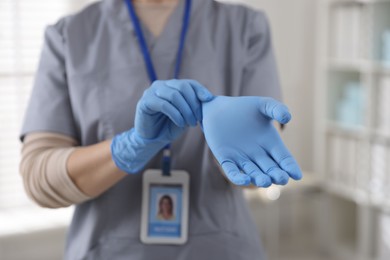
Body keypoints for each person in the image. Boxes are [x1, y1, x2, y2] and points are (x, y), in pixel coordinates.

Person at [19, 0, 301, 259]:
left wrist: (239, 142)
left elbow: (259, 172)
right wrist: (131, 146)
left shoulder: (244, 28)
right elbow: (38, 178)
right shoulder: (70, 36)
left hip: (220, 249)